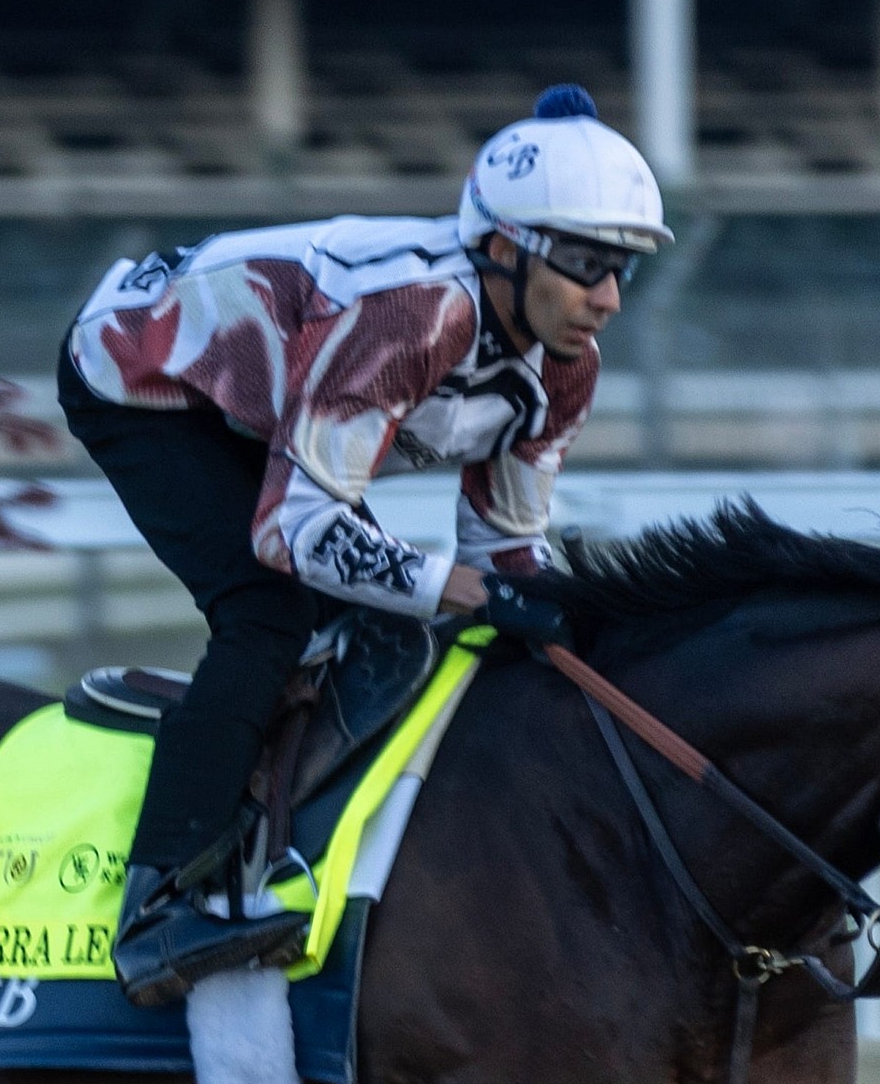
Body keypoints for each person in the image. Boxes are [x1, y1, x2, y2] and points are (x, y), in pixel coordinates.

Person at [59, 84, 668, 1006]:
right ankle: (158, 906)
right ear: (505, 249)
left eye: (623, 268)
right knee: (268, 614)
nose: (609, 298)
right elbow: (293, 531)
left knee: (398, 621)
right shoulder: (412, 316)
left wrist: (572, 620)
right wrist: (466, 591)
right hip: (144, 382)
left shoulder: (568, 366)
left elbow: (506, 548)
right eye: (587, 265)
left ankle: (296, 833)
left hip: (265, 401)